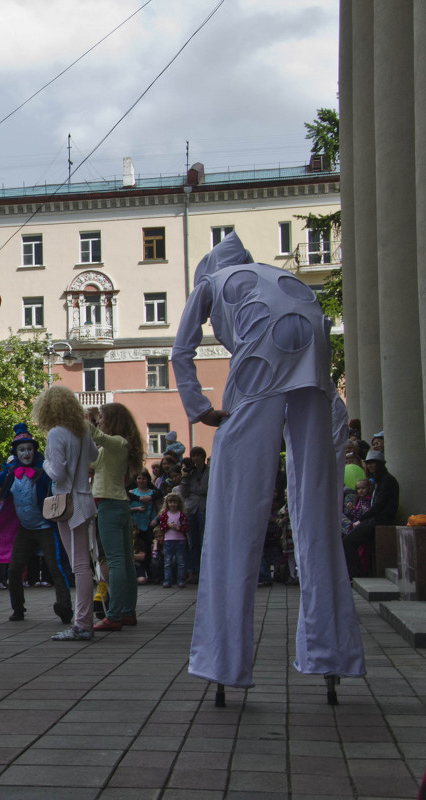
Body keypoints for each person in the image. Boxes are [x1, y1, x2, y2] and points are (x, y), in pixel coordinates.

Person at [171, 231, 364, 692]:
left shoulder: (211, 283)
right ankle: (329, 652)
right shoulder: (276, 275)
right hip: (313, 356)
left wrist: (201, 410)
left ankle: (224, 662)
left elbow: (182, 350)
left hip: (261, 361)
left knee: (235, 508)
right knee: (316, 510)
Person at [0, 423, 72, 625]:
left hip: (45, 527)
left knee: (55, 567)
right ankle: (18, 608)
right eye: (22, 450)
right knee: (14, 569)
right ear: (16, 453)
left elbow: (60, 483)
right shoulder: (11, 472)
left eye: (29, 449)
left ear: (34, 451)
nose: (26, 453)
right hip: (25, 529)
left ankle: (65, 608)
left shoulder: (43, 471)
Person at [33, 384, 98, 642]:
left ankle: (82, 623)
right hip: (84, 498)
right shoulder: (82, 431)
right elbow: (94, 455)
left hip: (67, 501)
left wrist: (45, 463)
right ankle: (84, 621)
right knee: (84, 564)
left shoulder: (56, 434)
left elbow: (57, 472)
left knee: (79, 566)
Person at [89, 403, 145, 632]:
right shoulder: (117, 446)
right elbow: (91, 466)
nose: (98, 420)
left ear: (112, 420)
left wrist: (78, 417)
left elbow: (94, 433)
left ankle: (115, 614)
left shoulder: (116, 442)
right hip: (117, 503)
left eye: (101, 417)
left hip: (109, 505)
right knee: (125, 562)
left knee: (115, 561)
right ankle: (127, 612)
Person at [343, 451, 399, 579]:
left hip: (381, 519)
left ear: (381, 464)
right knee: (348, 540)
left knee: (348, 542)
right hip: (376, 518)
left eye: (374, 463)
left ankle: (357, 575)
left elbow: (378, 506)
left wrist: (361, 519)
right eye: (368, 463)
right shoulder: (379, 480)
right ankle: (356, 574)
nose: (371, 466)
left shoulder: (387, 480)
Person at [176, 446, 209, 581]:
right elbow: (183, 493)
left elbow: (207, 489)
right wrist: (185, 478)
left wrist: (195, 490)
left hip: (204, 509)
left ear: (203, 457)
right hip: (191, 510)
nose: (195, 458)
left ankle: (205, 570)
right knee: (193, 542)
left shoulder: (210, 470)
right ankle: (195, 571)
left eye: (198, 455)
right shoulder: (190, 472)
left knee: (204, 541)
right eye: (193, 456)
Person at [154, 492, 189, 588]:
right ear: (167, 503)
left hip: (180, 540)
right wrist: (168, 526)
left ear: (178, 503)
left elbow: (186, 527)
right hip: (168, 540)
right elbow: (161, 527)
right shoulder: (165, 515)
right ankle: (167, 580)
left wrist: (179, 528)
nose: (173, 504)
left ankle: (181, 580)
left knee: (181, 562)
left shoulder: (181, 515)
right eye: (170, 502)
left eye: (175, 502)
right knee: (168, 562)